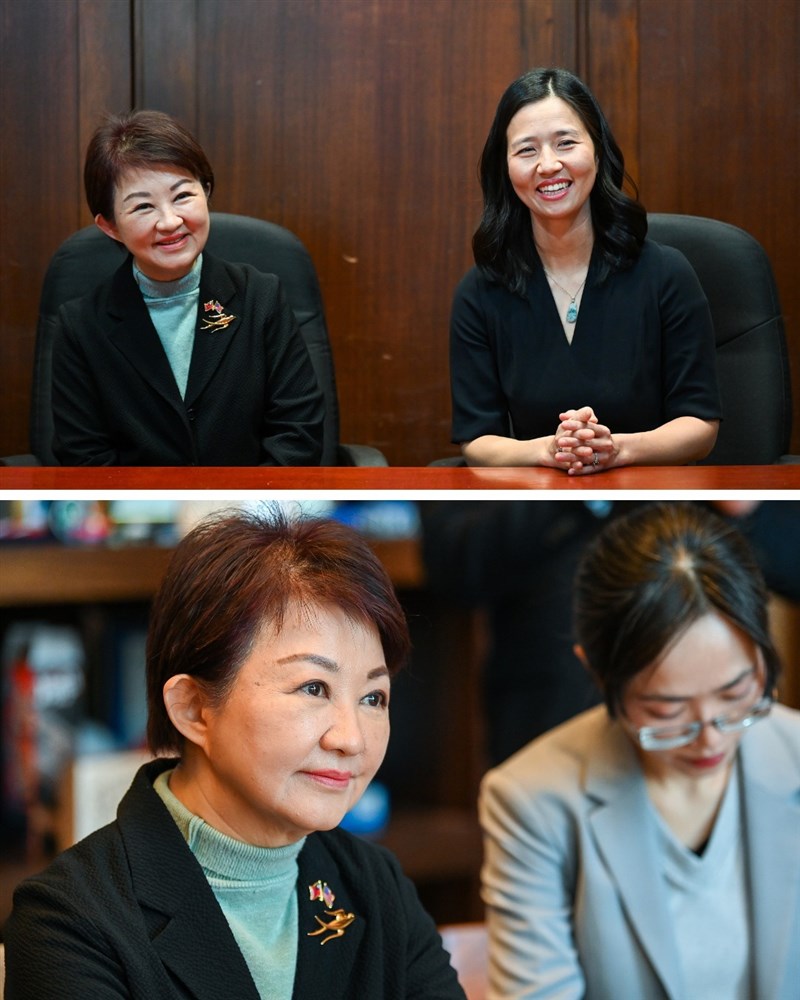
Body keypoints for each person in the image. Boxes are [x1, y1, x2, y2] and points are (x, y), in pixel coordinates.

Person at [4, 508, 466, 999]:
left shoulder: (373, 886)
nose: (350, 739)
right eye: (313, 687)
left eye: (373, 698)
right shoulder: (70, 922)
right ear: (194, 708)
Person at [480, 502, 800, 998]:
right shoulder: (532, 800)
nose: (710, 736)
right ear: (598, 674)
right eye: (667, 710)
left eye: (736, 694)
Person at [450, 68, 721, 473]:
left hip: (654, 496)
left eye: (565, 143)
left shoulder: (666, 274)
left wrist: (618, 449)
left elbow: (700, 425)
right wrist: (547, 451)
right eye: (526, 150)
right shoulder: (481, 290)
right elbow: (478, 440)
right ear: (504, 167)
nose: (548, 165)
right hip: (537, 502)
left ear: (597, 150)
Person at [420, 499, 800, 766]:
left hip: (732, 744)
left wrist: (749, 508)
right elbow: (453, 565)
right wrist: (583, 487)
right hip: (552, 711)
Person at [51, 110, 324, 466]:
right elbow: (84, 458)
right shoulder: (81, 326)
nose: (170, 221)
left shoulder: (260, 297)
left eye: (182, 196)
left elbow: (297, 435)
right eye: (144, 206)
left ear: (205, 191)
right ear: (110, 226)